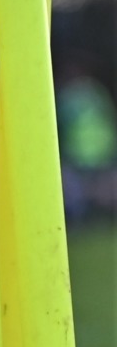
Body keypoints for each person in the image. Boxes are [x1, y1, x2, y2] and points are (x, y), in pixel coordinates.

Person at [57, 54, 115, 222]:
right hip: (103, 149)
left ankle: (81, 217)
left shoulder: (67, 96)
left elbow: (60, 124)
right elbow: (109, 117)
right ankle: (100, 215)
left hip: (80, 153)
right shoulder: (97, 92)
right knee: (102, 188)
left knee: (78, 190)